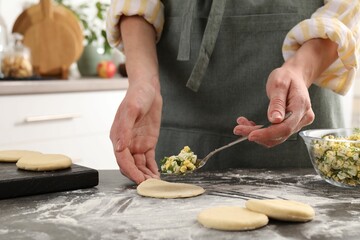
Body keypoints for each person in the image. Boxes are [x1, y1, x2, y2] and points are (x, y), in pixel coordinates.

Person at [106, 0, 360, 184]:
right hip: (174, 109)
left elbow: (347, 8)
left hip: (301, 95)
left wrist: (300, 71)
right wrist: (142, 81)